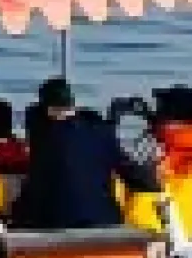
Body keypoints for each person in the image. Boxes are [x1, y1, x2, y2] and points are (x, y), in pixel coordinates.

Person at [10, 76, 158, 232]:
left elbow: (32, 114)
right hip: (104, 222)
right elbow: (138, 177)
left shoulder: (43, 136)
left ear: (47, 109)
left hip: (53, 224)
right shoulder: (102, 133)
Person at [123, 83, 192, 240]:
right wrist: (151, 119)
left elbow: (128, 173)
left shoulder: (158, 147)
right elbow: (173, 134)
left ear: (169, 114)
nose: (157, 111)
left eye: (160, 108)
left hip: (151, 233)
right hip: (188, 230)